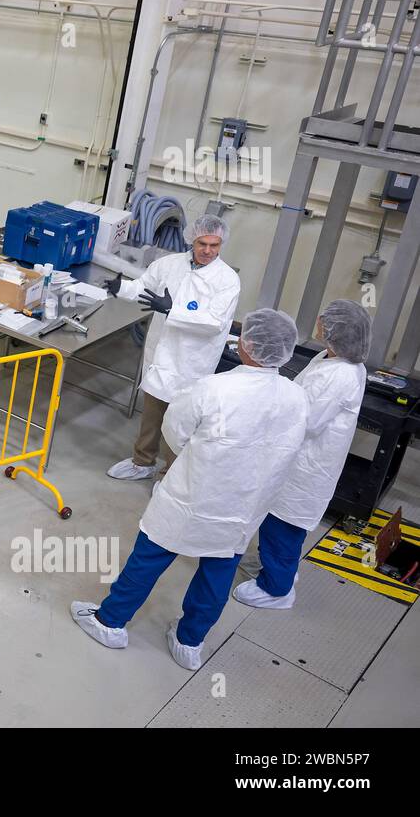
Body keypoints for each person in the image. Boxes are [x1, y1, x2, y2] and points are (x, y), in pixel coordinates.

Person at [71, 309, 307, 670]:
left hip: (194, 495)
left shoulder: (213, 387)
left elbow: (175, 432)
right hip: (244, 504)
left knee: (150, 556)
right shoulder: (296, 397)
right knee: (218, 570)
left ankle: (110, 622)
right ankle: (189, 641)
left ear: (246, 345)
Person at [234, 300, 371, 610]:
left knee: (283, 525)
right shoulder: (333, 359)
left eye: (325, 320)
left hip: (306, 468)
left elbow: (308, 420)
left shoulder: (341, 374)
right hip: (299, 460)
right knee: (276, 521)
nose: (319, 321)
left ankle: (277, 590)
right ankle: (275, 569)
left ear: (336, 331)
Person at [104, 215, 241, 481]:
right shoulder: (169, 264)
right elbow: (143, 287)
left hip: (192, 363)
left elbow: (215, 323)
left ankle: (170, 475)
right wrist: (122, 288)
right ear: (192, 240)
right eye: (202, 243)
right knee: (152, 413)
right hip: (161, 354)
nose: (208, 251)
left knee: (180, 423)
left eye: (215, 245)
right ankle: (142, 462)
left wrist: (172, 309)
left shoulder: (226, 280)